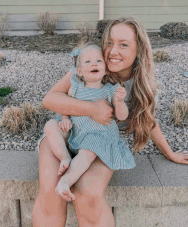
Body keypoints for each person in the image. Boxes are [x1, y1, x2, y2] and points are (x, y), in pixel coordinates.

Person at [33, 16, 188, 227]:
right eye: (109, 43)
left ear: (139, 50)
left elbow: (148, 121)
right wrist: (91, 109)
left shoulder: (139, 86)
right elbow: (49, 100)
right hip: (65, 133)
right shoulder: (89, 64)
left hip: (100, 141)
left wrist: (169, 153)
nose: (113, 51)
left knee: (87, 193)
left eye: (123, 45)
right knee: (51, 188)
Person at [43, 44, 136, 203]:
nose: (94, 64)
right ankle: (65, 157)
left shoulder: (110, 90)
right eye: (88, 62)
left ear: (106, 69)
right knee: (50, 125)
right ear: (79, 71)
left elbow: (122, 115)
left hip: (96, 134)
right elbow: (65, 104)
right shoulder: (75, 87)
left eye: (99, 61)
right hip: (75, 129)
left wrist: (119, 102)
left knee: (89, 151)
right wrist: (65, 118)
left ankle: (65, 182)